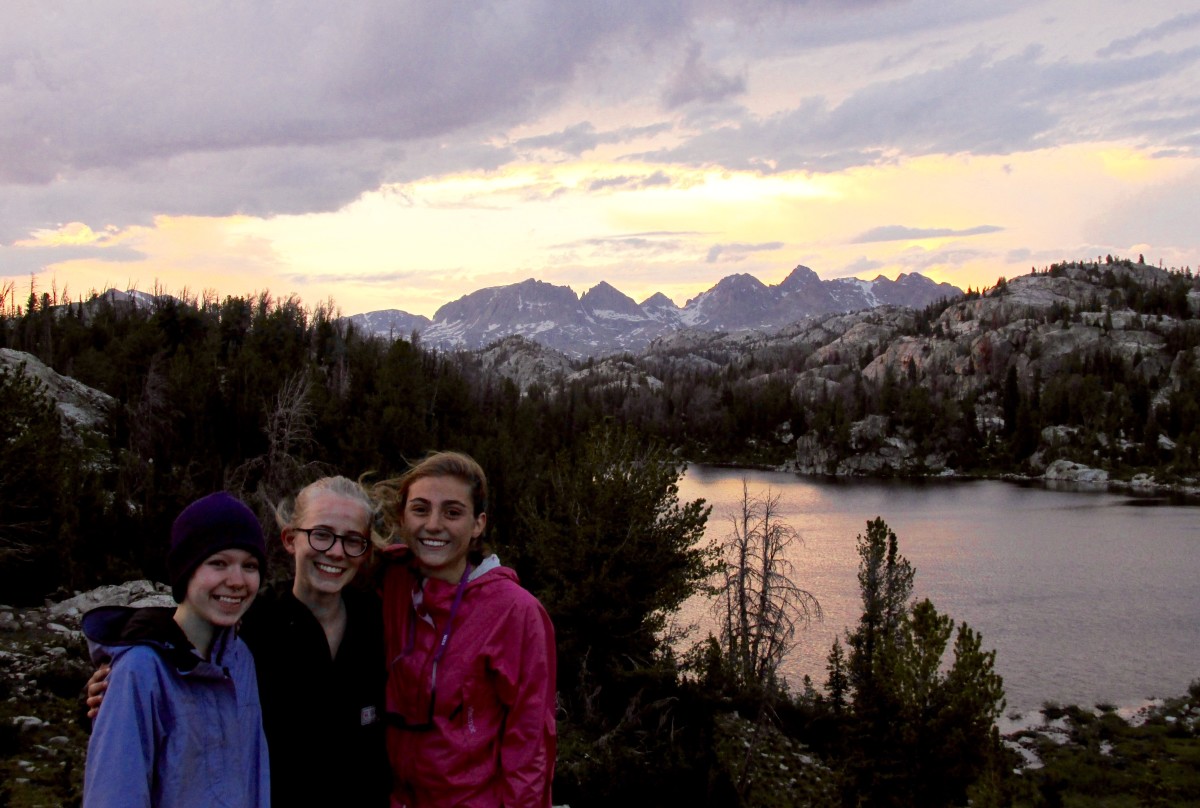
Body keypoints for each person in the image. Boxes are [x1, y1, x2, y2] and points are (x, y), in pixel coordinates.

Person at [87, 477, 390, 807]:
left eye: (353, 540)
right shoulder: (250, 627)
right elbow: (178, 657)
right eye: (321, 534)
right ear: (290, 539)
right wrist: (108, 691)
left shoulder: (381, 622)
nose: (336, 551)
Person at [375, 451, 557, 807]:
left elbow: (530, 742)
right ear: (402, 516)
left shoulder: (514, 611)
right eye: (420, 509)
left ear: (478, 524)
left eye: (452, 512)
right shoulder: (390, 579)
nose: (433, 525)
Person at [82, 491, 271, 807]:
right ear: (186, 570)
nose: (238, 580)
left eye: (250, 565)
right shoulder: (140, 669)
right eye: (219, 563)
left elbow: (254, 776)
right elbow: (114, 794)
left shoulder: (241, 659)